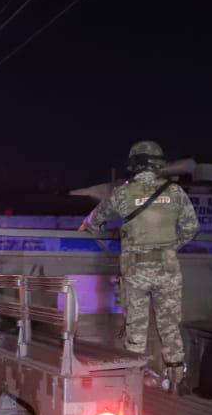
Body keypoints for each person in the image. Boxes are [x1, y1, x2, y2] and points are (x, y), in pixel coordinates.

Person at [80, 140, 199, 389]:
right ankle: (177, 377)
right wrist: (170, 247)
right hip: (167, 268)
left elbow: (97, 217)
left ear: (134, 164)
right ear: (158, 164)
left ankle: (134, 379)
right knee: (169, 323)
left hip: (136, 270)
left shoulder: (124, 193)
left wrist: (89, 224)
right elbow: (191, 228)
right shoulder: (175, 192)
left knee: (136, 325)